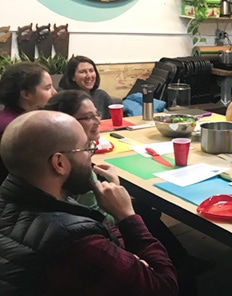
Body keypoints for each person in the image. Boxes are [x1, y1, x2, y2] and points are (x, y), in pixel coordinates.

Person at [43, 90, 208, 295]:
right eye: (88, 117)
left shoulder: (41, 181)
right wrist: (126, 215)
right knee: (144, 217)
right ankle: (182, 267)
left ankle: (181, 259)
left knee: (145, 212)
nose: (97, 121)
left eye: (97, 114)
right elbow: (163, 287)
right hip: (116, 240)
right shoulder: (79, 235)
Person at [0, 110, 177, 295]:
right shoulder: (77, 244)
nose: (91, 156)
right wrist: (127, 216)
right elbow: (163, 288)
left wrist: (120, 256)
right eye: (86, 148)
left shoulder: (25, 199)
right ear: (59, 163)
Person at [0, 62, 57, 181]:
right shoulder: (20, 128)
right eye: (47, 88)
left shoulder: (9, 117)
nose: (54, 92)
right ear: (26, 94)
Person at [59, 55, 113, 119]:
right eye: (83, 72)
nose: (89, 76)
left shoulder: (101, 96)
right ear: (72, 77)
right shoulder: (65, 100)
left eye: (91, 71)